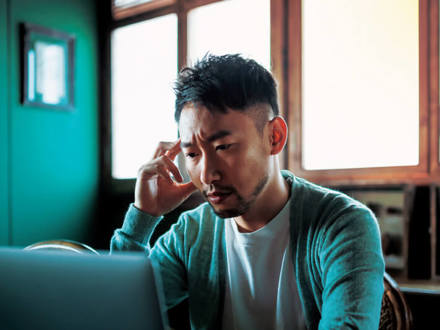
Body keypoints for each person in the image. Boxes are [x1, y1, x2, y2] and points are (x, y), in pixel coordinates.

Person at [110, 54, 385, 329]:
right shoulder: (192, 232)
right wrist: (143, 216)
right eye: (192, 154)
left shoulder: (342, 225)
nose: (207, 175)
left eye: (223, 147)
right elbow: (116, 313)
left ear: (273, 136)